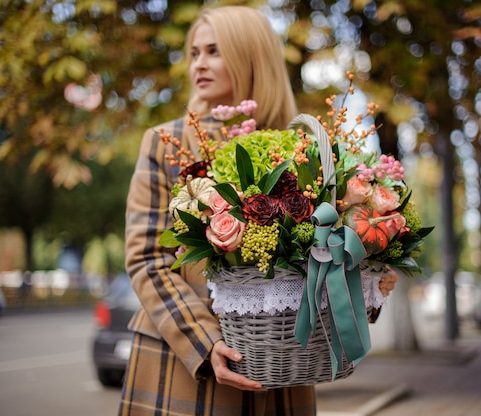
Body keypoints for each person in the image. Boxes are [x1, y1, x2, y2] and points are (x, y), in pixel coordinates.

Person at [119, 5, 398, 416]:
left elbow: (316, 256)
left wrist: (367, 275)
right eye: (194, 53)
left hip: (285, 364)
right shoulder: (166, 141)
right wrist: (205, 341)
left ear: (251, 56)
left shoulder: (298, 146)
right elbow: (146, 258)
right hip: (184, 364)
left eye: (214, 51)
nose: (199, 63)